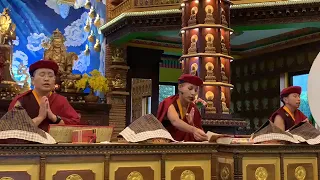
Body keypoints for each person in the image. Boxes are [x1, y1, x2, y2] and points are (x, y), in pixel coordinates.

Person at [8, 60, 81, 132]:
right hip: (27, 143)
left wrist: (54, 118)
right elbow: (13, 128)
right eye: (42, 75)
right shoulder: (22, 100)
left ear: (54, 80)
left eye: (50, 76)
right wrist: (40, 118)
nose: (46, 79)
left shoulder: (61, 100)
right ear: (33, 80)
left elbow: (76, 124)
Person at [157, 74, 208, 142]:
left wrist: (202, 136)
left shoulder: (193, 107)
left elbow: (198, 129)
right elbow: (175, 121)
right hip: (168, 146)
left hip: (188, 146)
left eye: (196, 90)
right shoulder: (169, 102)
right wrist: (193, 130)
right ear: (180, 87)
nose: (193, 93)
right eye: (190, 88)